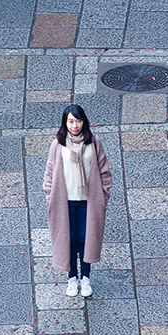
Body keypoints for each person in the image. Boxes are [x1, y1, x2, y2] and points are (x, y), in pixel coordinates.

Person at [42, 103, 113, 302]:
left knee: (86, 240)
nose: (75, 125)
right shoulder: (58, 144)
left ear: (84, 122)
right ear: (65, 123)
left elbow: (104, 172)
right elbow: (49, 173)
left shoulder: (94, 142)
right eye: (71, 121)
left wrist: (103, 196)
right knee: (69, 241)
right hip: (64, 202)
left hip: (88, 202)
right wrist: (50, 195)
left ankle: (86, 278)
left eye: (78, 121)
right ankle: (72, 278)